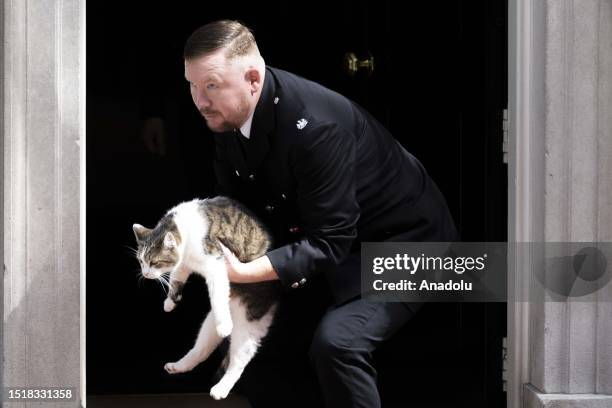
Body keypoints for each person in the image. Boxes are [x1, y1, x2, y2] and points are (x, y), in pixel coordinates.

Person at [182, 20, 457, 408]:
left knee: (338, 344)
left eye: (210, 85)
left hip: (409, 243)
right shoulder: (227, 114)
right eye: (192, 85)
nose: (200, 100)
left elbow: (331, 242)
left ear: (253, 79)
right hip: (330, 242)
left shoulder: (316, 128)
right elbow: (239, 206)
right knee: (257, 347)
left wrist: (245, 272)